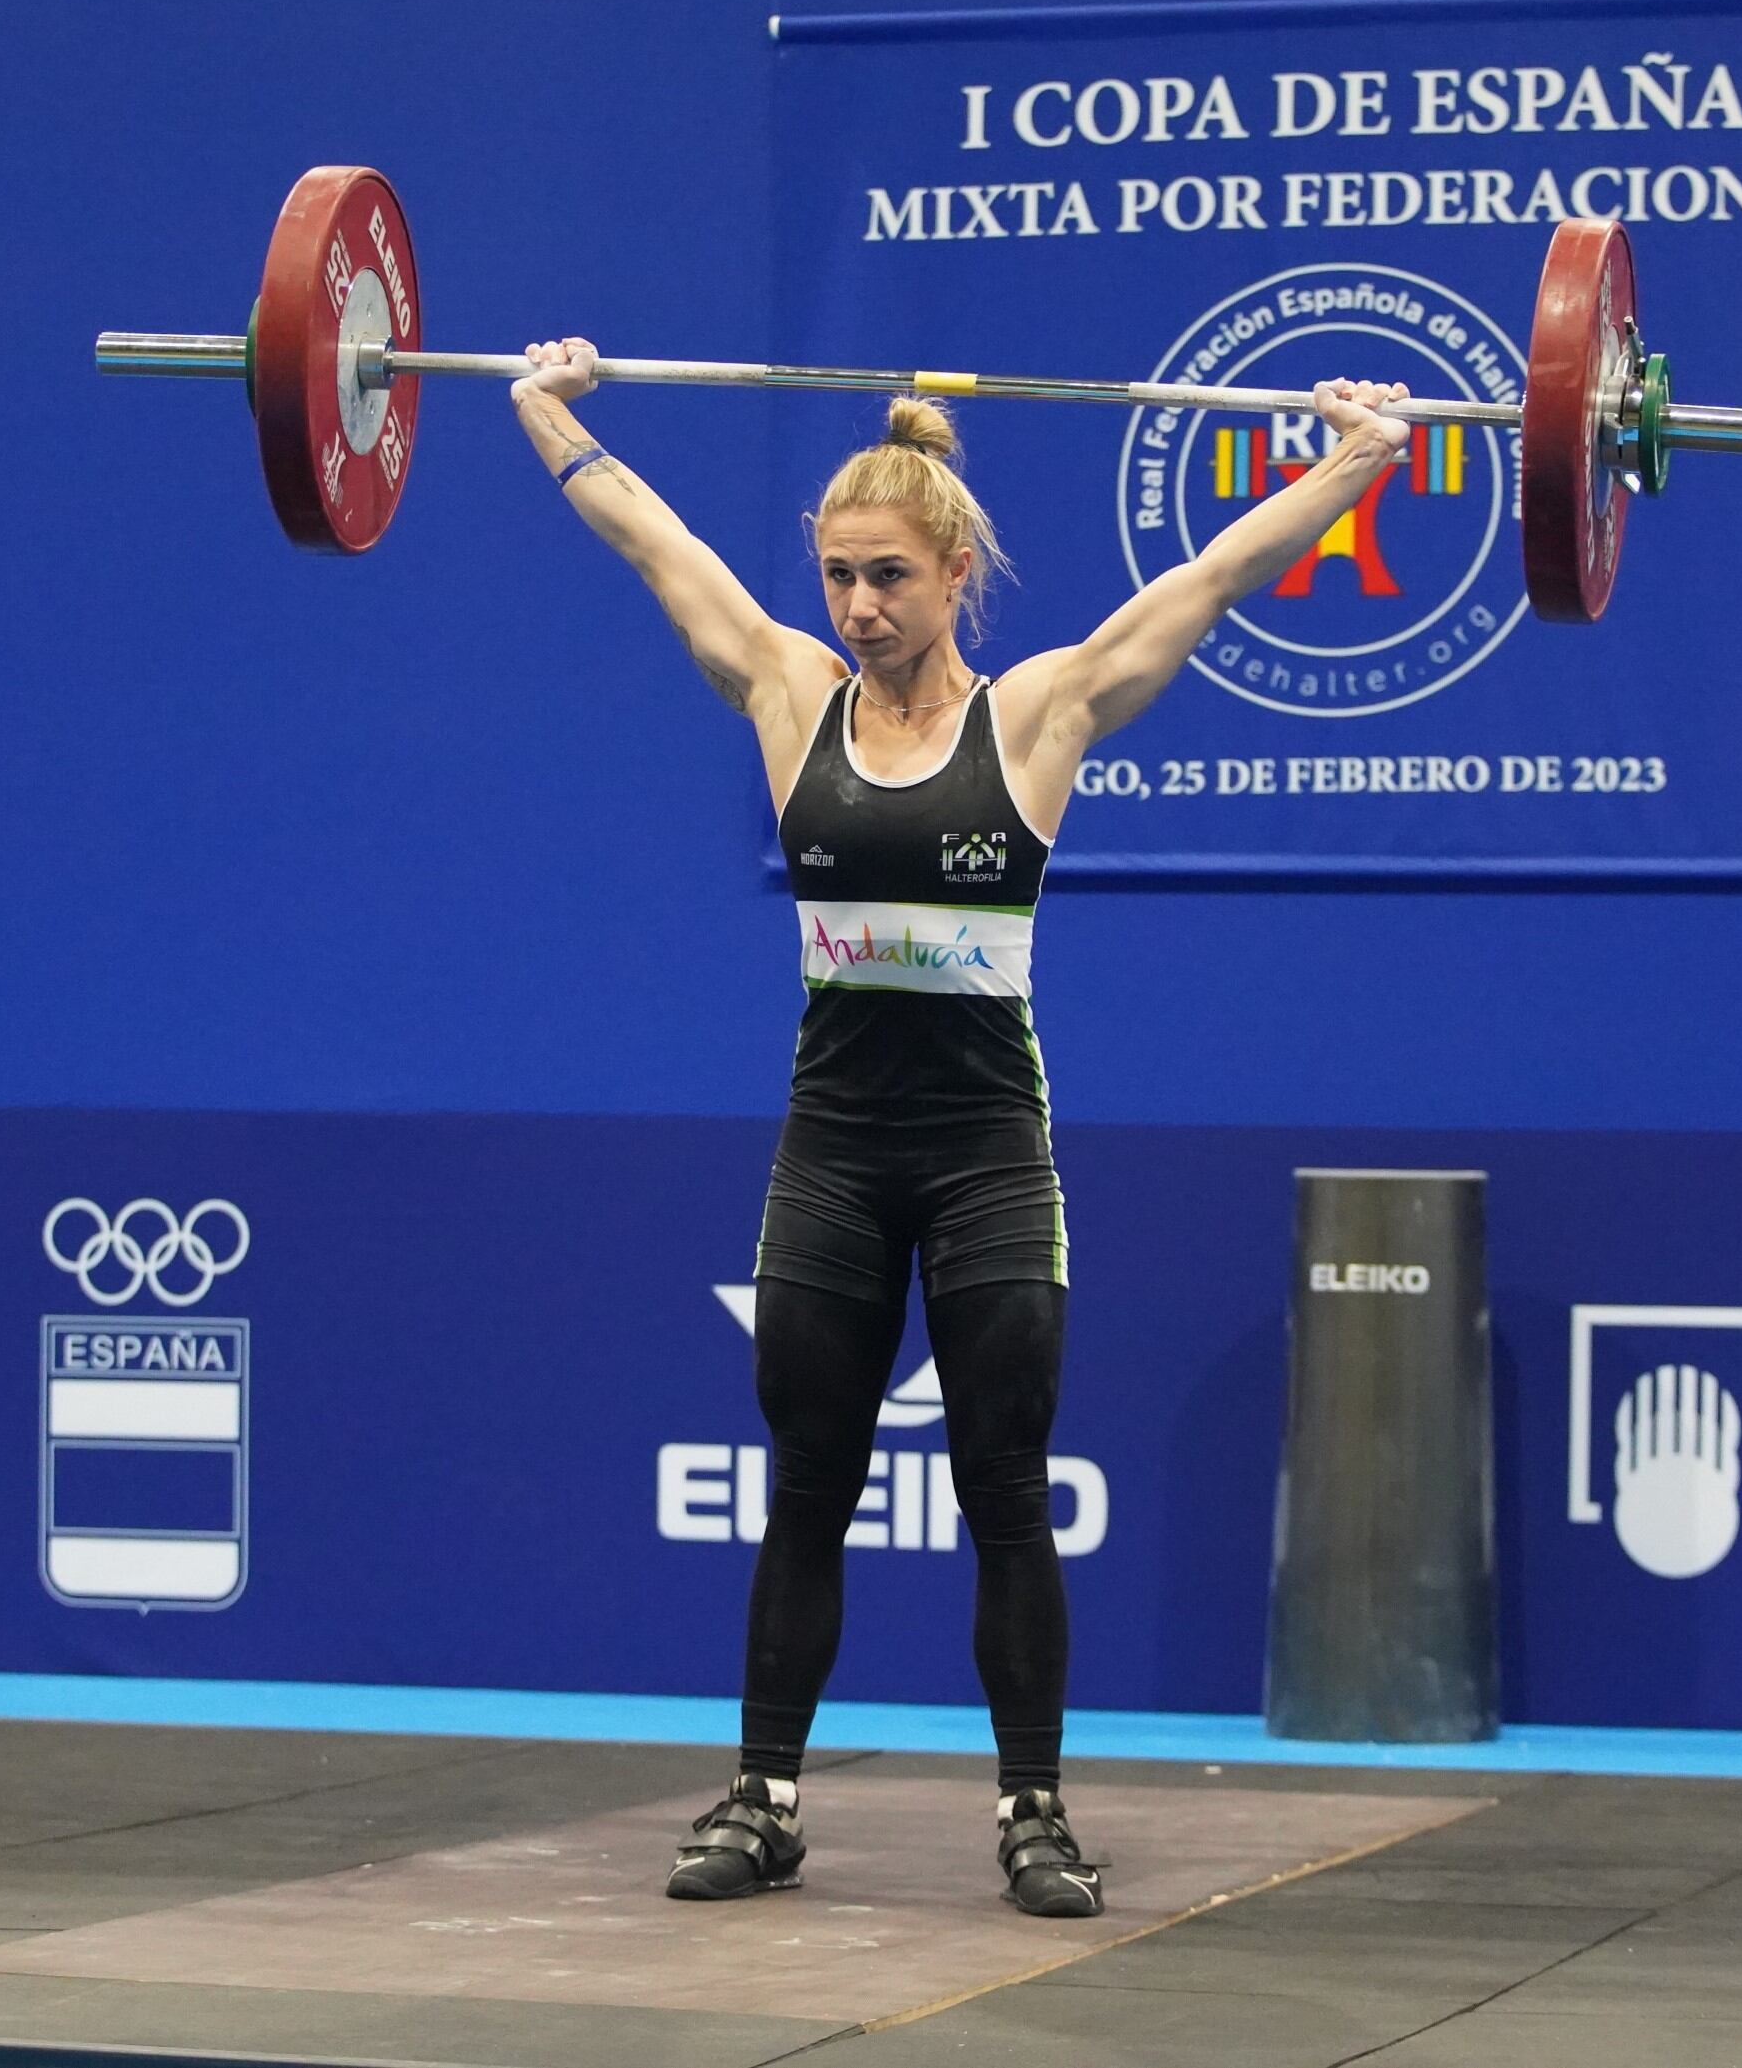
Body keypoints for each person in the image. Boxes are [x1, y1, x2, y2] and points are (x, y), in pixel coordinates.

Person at [511, 342, 1411, 1918]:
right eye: (842, 578)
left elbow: (1204, 582)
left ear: (955, 571)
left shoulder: (1042, 714)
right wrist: (543, 412)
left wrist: (1353, 463)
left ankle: (1036, 1814)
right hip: (834, 1159)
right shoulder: (792, 695)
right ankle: (767, 1798)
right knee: (809, 1476)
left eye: (890, 578)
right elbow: (657, 543)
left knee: (1005, 1479)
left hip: (992, 1156)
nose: (860, 606)